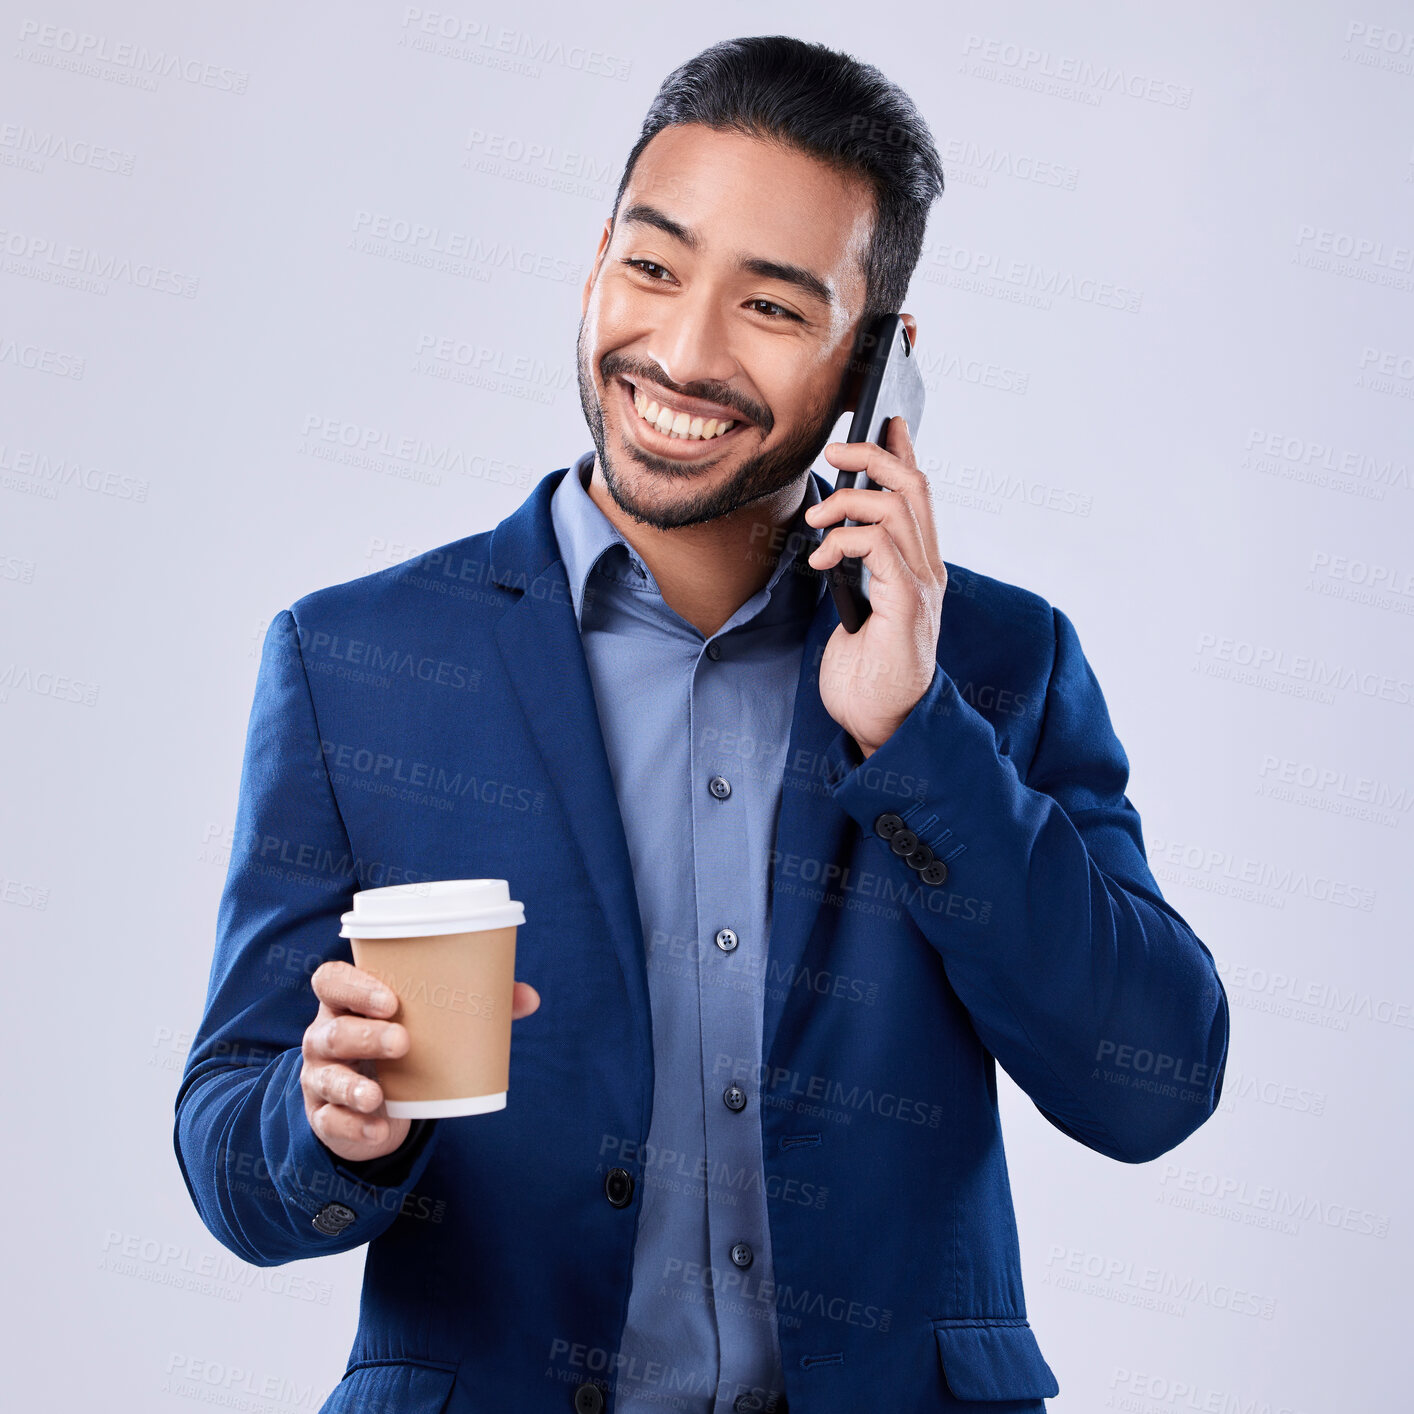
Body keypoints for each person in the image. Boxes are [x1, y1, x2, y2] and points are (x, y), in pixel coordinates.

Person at [175, 35, 1229, 1414]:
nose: (678, 352)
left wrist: (916, 735)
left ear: (874, 368)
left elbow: (1146, 1085)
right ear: (594, 257)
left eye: (773, 308)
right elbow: (230, 1158)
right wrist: (328, 1130)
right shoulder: (356, 660)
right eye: (653, 268)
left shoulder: (991, 662)